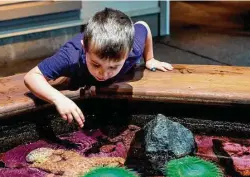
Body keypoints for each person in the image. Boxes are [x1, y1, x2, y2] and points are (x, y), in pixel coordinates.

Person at [24, 8, 173, 128]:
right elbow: (32, 76)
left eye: (114, 67)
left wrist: (150, 59)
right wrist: (59, 99)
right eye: (96, 64)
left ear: (127, 54)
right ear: (85, 48)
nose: (103, 73)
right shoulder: (71, 56)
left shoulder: (133, 48)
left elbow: (144, 26)